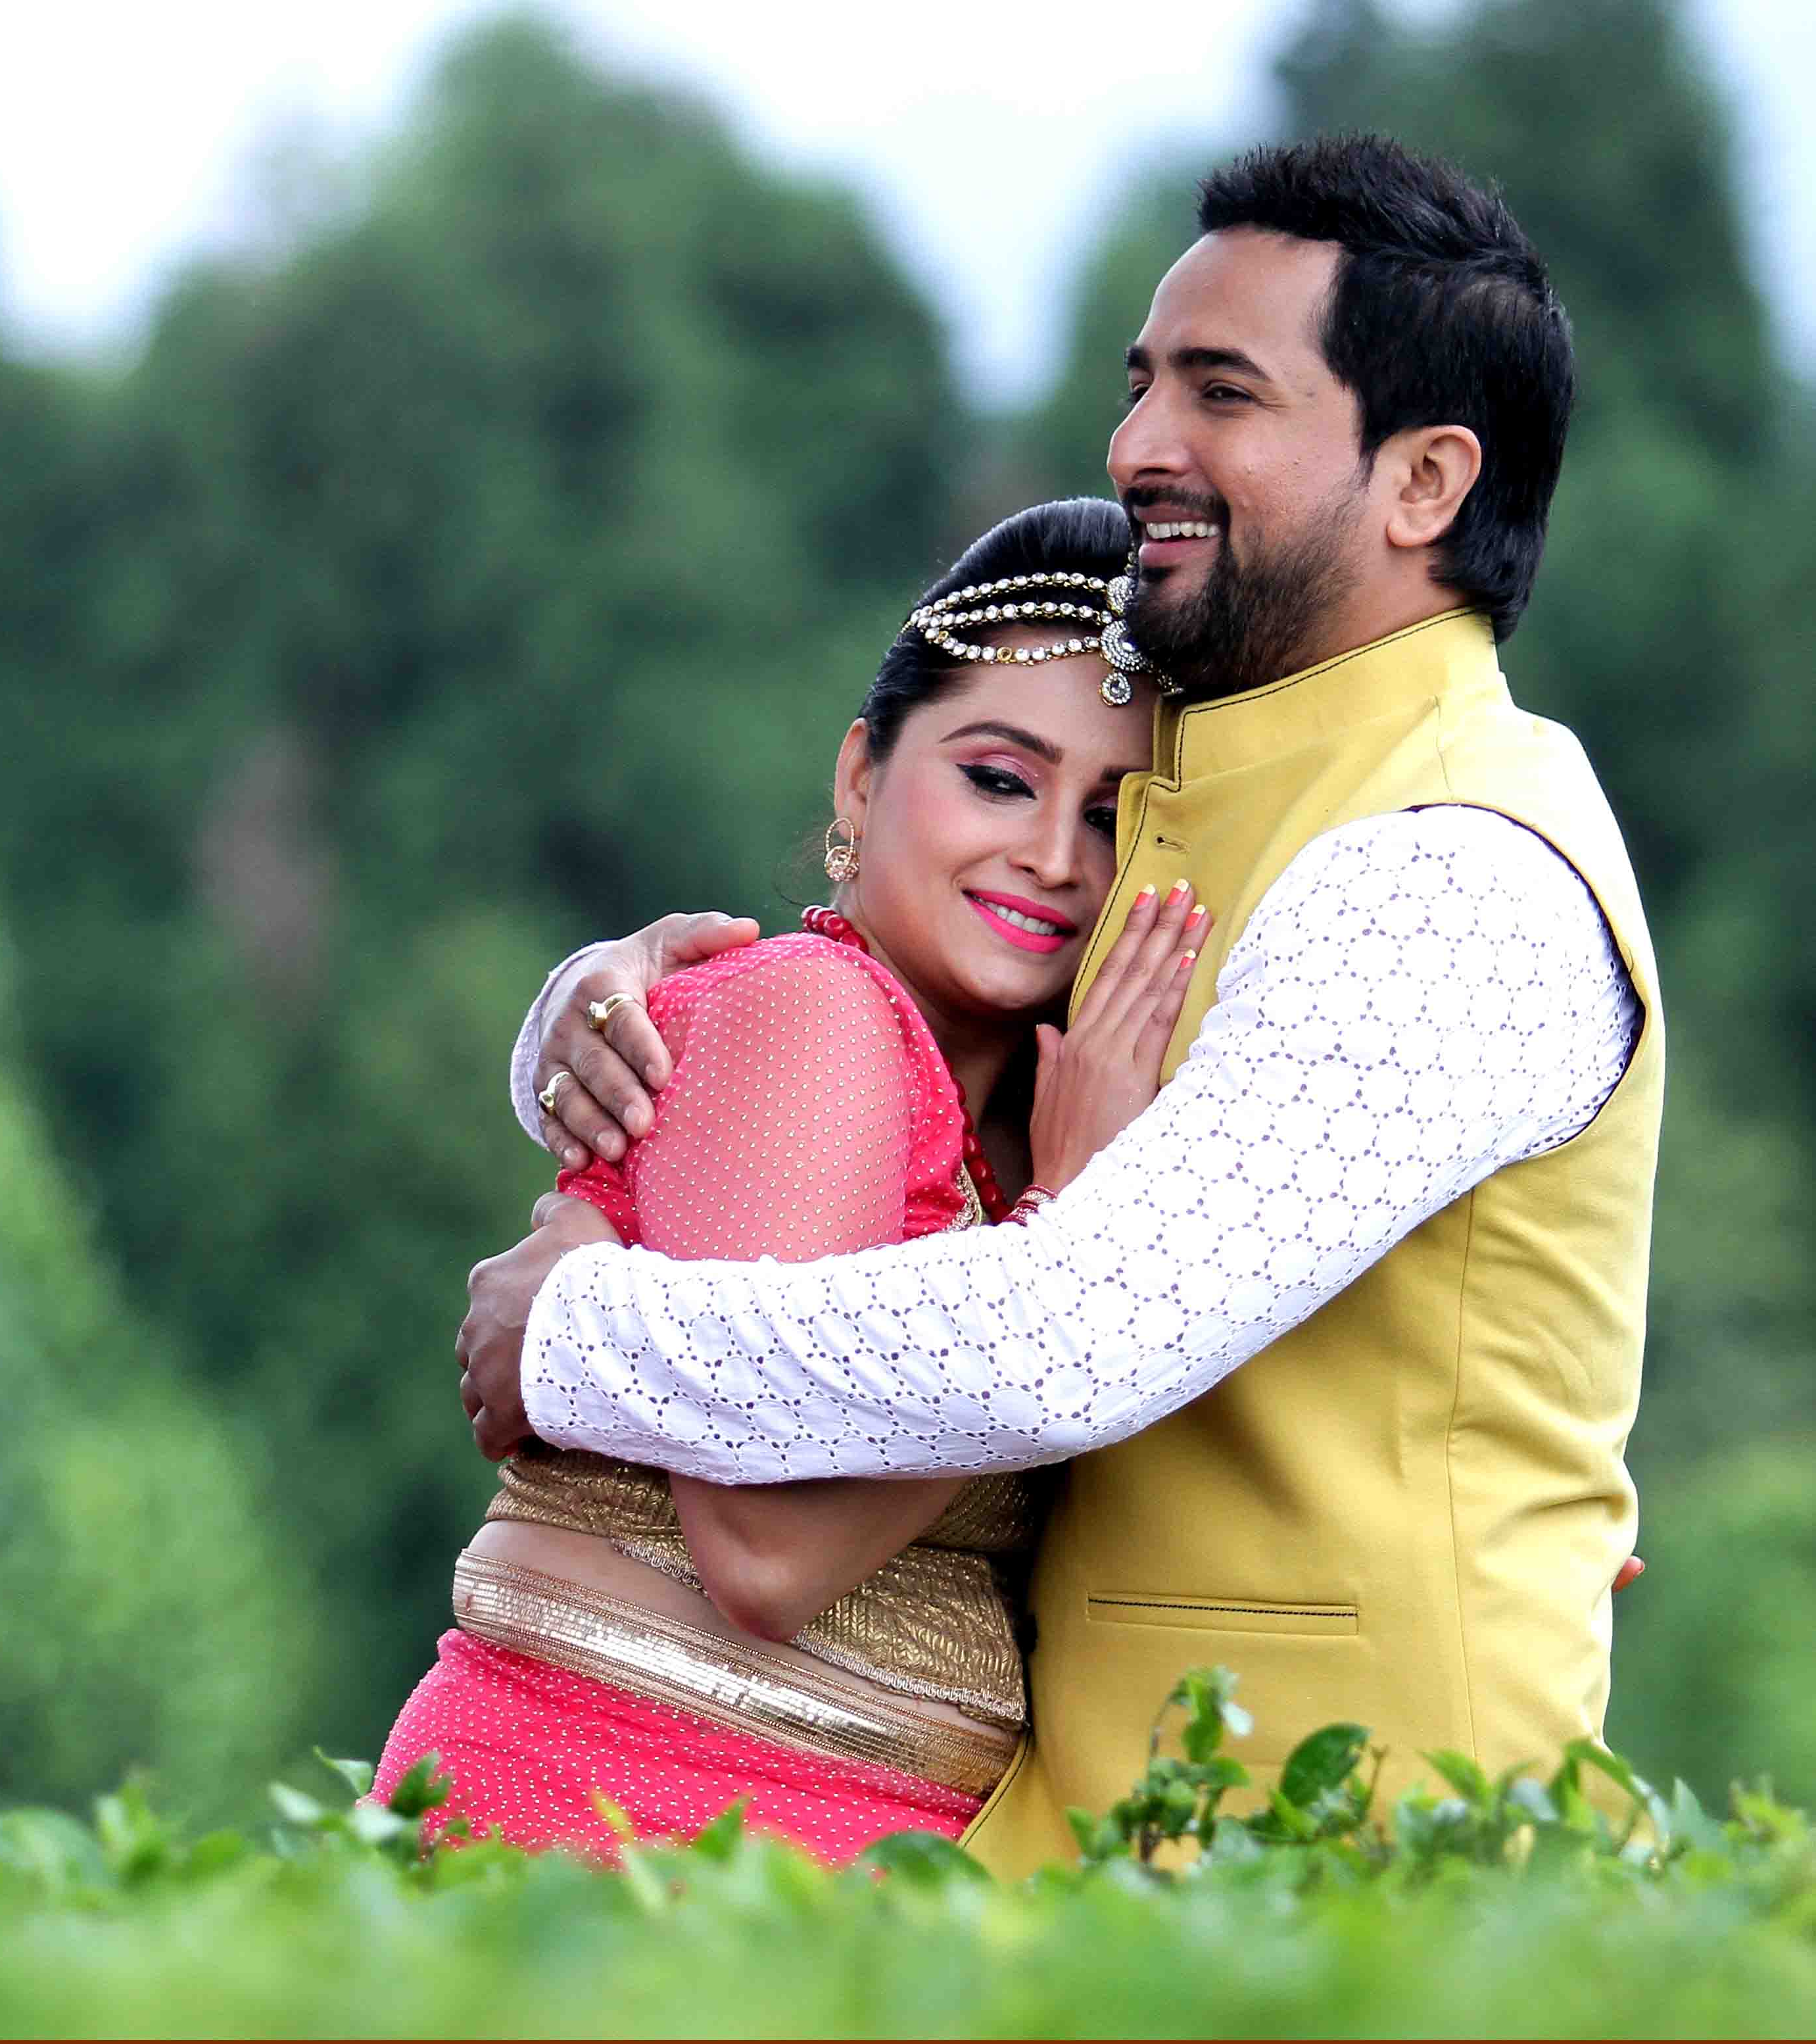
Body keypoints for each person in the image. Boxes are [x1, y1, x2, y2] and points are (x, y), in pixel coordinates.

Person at [457, 134, 1659, 1876]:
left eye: (1221, 392)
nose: (1138, 444)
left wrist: (573, 1334)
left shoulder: (1455, 866)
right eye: (1138, 382)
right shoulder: (1206, 798)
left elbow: (1070, 1332)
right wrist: (593, 1014)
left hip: (1341, 1871)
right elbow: (886, 1048)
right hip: (1072, 1852)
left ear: (1421, 481)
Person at [375, 500, 1204, 1859]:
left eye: (1115, 817)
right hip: (619, 1831)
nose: (1056, 857)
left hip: (841, 1859)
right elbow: (767, 1553)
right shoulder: (814, 1015)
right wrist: (1065, 1236)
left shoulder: (1040, 1118)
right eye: (1000, 779)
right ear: (861, 777)